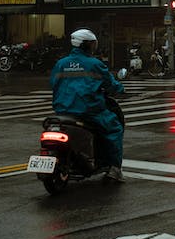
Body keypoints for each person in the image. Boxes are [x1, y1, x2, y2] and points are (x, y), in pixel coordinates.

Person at [50, 29, 125, 182]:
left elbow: (53, 84)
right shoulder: (94, 64)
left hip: (62, 111)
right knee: (114, 129)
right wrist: (120, 89)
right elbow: (111, 84)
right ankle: (115, 169)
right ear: (89, 45)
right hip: (89, 111)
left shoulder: (61, 63)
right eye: (93, 44)